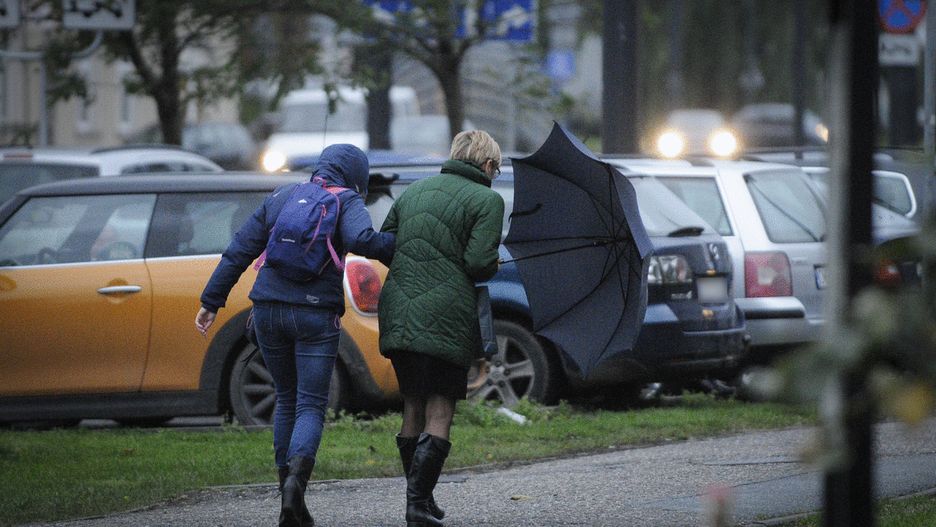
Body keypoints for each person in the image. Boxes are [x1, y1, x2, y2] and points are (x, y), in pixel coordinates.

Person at [195, 144, 394, 527]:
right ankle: (294, 491)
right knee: (310, 405)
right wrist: (403, 246)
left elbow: (239, 250)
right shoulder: (347, 199)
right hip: (315, 315)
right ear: (357, 174)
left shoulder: (283, 196)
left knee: (286, 399)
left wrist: (211, 301)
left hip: (267, 310)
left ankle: (289, 496)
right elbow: (362, 240)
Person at [378, 130, 505, 527]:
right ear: (487, 164)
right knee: (440, 409)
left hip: (398, 309)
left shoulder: (414, 192)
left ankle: (423, 499)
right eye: (497, 169)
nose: (495, 175)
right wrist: (493, 262)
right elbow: (477, 263)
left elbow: (386, 244)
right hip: (446, 314)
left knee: (413, 404)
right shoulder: (487, 200)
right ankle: (417, 506)